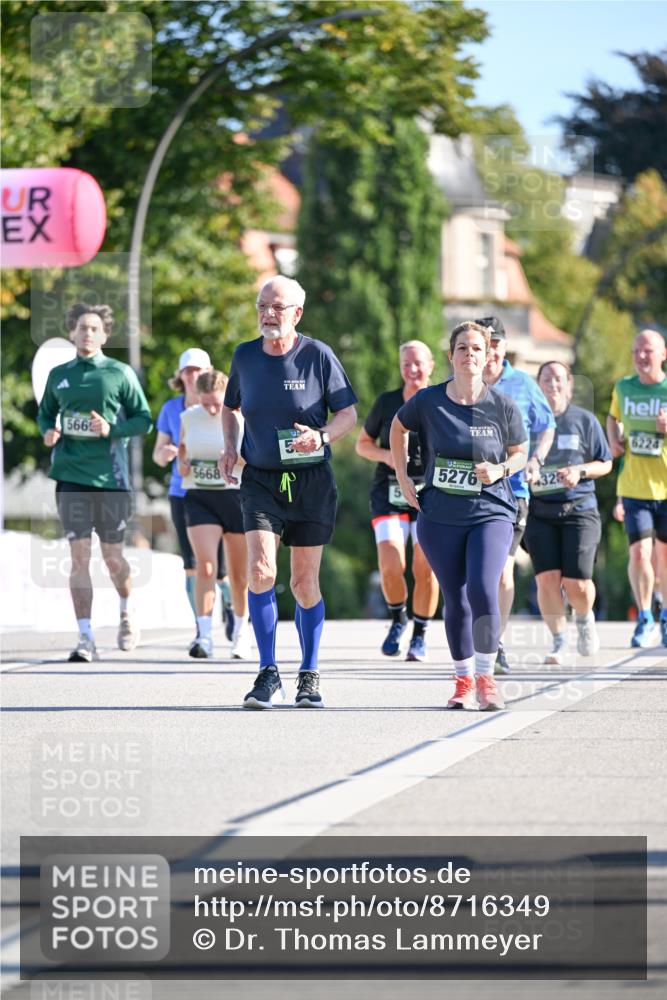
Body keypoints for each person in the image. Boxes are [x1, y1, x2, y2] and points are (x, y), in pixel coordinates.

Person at [221, 275, 357, 709]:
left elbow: (347, 413)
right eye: (263, 305)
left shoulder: (318, 355)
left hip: (312, 482)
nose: (268, 314)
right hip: (261, 478)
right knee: (261, 570)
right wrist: (229, 446)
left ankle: (309, 673)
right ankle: (266, 671)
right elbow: (231, 407)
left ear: (297, 313)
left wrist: (321, 437)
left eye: (277, 307)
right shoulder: (244, 356)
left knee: (303, 581)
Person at [390, 321, 528, 711]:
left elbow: (520, 452)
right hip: (440, 513)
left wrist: (500, 470)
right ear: (450, 357)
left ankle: (487, 679)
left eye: (477, 349)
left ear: (488, 357)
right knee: (455, 597)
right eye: (462, 349)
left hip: (491, 510)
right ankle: (463, 681)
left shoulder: (501, 404)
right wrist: (403, 478)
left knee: (484, 588)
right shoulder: (429, 401)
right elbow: (398, 428)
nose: (470, 355)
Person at [37, 302, 152, 662]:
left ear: (104, 334)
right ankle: (85, 637)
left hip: (111, 479)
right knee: (79, 558)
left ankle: (126, 609)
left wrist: (112, 429)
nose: (87, 332)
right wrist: (48, 432)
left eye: (94, 328)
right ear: (71, 332)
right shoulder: (59, 375)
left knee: (113, 558)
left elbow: (143, 419)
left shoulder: (119, 373)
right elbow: (44, 416)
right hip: (70, 476)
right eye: (82, 327)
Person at [475, 316, 555, 674]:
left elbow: (547, 425)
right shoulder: (464, 382)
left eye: (495, 344)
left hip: (513, 490)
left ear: (504, 347)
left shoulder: (523, 384)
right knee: (474, 573)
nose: (489, 351)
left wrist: (536, 458)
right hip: (469, 489)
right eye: (483, 343)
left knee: (502, 572)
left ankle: (495, 643)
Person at [355, 341, 439, 660]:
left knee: (425, 567)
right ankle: (398, 619)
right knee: (392, 563)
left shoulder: (441, 400)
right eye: (406, 364)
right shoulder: (387, 402)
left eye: (418, 363)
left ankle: (420, 634)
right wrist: (386, 455)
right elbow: (362, 445)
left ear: (431, 365)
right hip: (388, 492)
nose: (412, 370)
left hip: (428, 495)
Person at [524, 361, 612, 663]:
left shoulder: (584, 420)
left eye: (559, 379)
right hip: (539, 511)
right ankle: (559, 641)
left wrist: (580, 470)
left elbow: (606, 462)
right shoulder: (527, 423)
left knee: (577, 584)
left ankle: (585, 619)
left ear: (569, 385)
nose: (553, 384)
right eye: (546, 379)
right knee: (547, 580)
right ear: (538, 385)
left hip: (579, 509)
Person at [152, 348, 234, 640]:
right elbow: (158, 454)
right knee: (195, 564)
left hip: (227, 492)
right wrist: (170, 453)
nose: (193, 375)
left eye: (199, 370)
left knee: (224, 568)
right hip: (184, 491)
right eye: (188, 371)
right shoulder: (171, 410)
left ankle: (231, 607)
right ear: (181, 376)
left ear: (209, 373)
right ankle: (202, 628)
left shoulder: (223, 406)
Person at [178, 369, 249, 659]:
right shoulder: (188, 417)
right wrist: (183, 463)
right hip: (200, 496)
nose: (210, 409)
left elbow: (255, 458)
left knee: (238, 575)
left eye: (216, 404)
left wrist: (232, 458)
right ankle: (204, 635)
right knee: (205, 567)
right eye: (205, 402)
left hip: (236, 497)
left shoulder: (241, 418)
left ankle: (242, 634)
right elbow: (184, 449)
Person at [607, 328, 667, 648]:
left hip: (666, 488)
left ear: (663, 354)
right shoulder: (624, 388)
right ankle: (644, 616)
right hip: (634, 487)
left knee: (665, 557)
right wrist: (613, 439)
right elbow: (612, 417)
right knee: (641, 552)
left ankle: (666, 616)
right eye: (636, 351)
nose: (642, 357)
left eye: (648, 351)